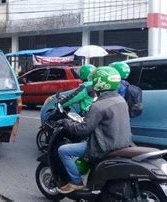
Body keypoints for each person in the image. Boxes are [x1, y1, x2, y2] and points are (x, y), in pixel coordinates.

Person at [56, 66, 133, 194]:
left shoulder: (98, 106)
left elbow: (83, 129)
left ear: (99, 82)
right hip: (122, 142)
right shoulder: (120, 100)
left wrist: (66, 123)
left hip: (104, 146)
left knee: (63, 150)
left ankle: (76, 182)